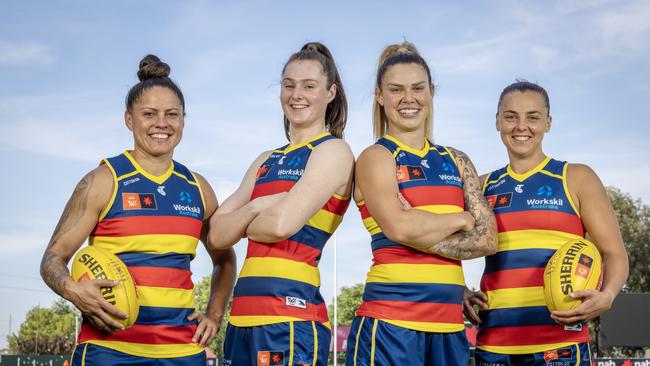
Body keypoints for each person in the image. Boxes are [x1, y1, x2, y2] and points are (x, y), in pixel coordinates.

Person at [40, 55, 236, 365]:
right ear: (129, 119)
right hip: (110, 351)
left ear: (183, 120)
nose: (162, 123)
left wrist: (214, 314)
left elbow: (224, 260)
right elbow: (52, 259)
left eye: (172, 114)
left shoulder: (198, 187)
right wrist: (72, 290)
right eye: (149, 114)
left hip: (183, 353)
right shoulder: (103, 181)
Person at [345, 41, 497, 366]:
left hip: (449, 326)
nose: (408, 98)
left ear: (432, 91)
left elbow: (488, 239)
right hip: (391, 325)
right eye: (396, 89)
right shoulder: (376, 157)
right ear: (379, 96)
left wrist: (416, 227)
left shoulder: (456, 160)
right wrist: (461, 218)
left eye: (417, 88)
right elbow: (399, 226)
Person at [208, 42, 354, 365]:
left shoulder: (333, 152)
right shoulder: (266, 159)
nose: (296, 94)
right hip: (241, 320)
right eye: (289, 85)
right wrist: (262, 205)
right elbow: (216, 235)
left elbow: (281, 225)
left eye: (308, 86)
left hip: (291, 319)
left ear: (330, 93)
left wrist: (242, 224)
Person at [464, 80, 629, 365]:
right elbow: (444, 247)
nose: (521, 126)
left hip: (560, 347)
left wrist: (609, 294)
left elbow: (614, 253)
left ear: (548, 123)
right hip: (493, 345)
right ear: (497, 122)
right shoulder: (480, 186)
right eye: (511, 116)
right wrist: (459, 289)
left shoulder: (576, 178)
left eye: (533, 117)